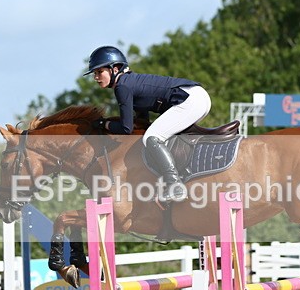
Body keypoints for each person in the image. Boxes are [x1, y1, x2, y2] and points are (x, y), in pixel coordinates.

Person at [84, 45, 212, 203]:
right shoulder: (129, 83)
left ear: (115, 68)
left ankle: (174, 185)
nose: (96, 77)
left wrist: (105, 125)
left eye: (99, 72)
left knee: (152, 137)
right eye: (94, 73)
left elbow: (126, 128)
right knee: (160, 136)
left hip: (190, 100)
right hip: (197, 97)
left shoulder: (122, 86)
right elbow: (141, 122)